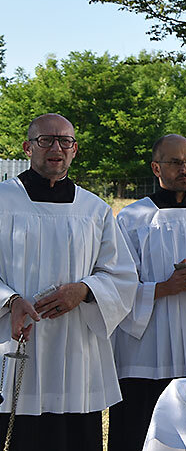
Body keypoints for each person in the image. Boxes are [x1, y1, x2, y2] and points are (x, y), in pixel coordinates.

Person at [0, 113, 137, 451]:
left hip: (76, 350)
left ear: (74, 150)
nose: (56, 148)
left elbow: (121, 274)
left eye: (65, 141)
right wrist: (10, 301)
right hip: (13, 340)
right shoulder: (2, 201)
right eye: (46, 140)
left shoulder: (95, 209)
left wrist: (86, 290)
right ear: (28, 147)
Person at [109, 134, 186, 451]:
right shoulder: (131, 219)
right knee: (138, 431)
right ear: (156, 167)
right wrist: (164, 288)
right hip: (144, 353)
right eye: (175, 162)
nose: (184, 169)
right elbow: (116, 284)